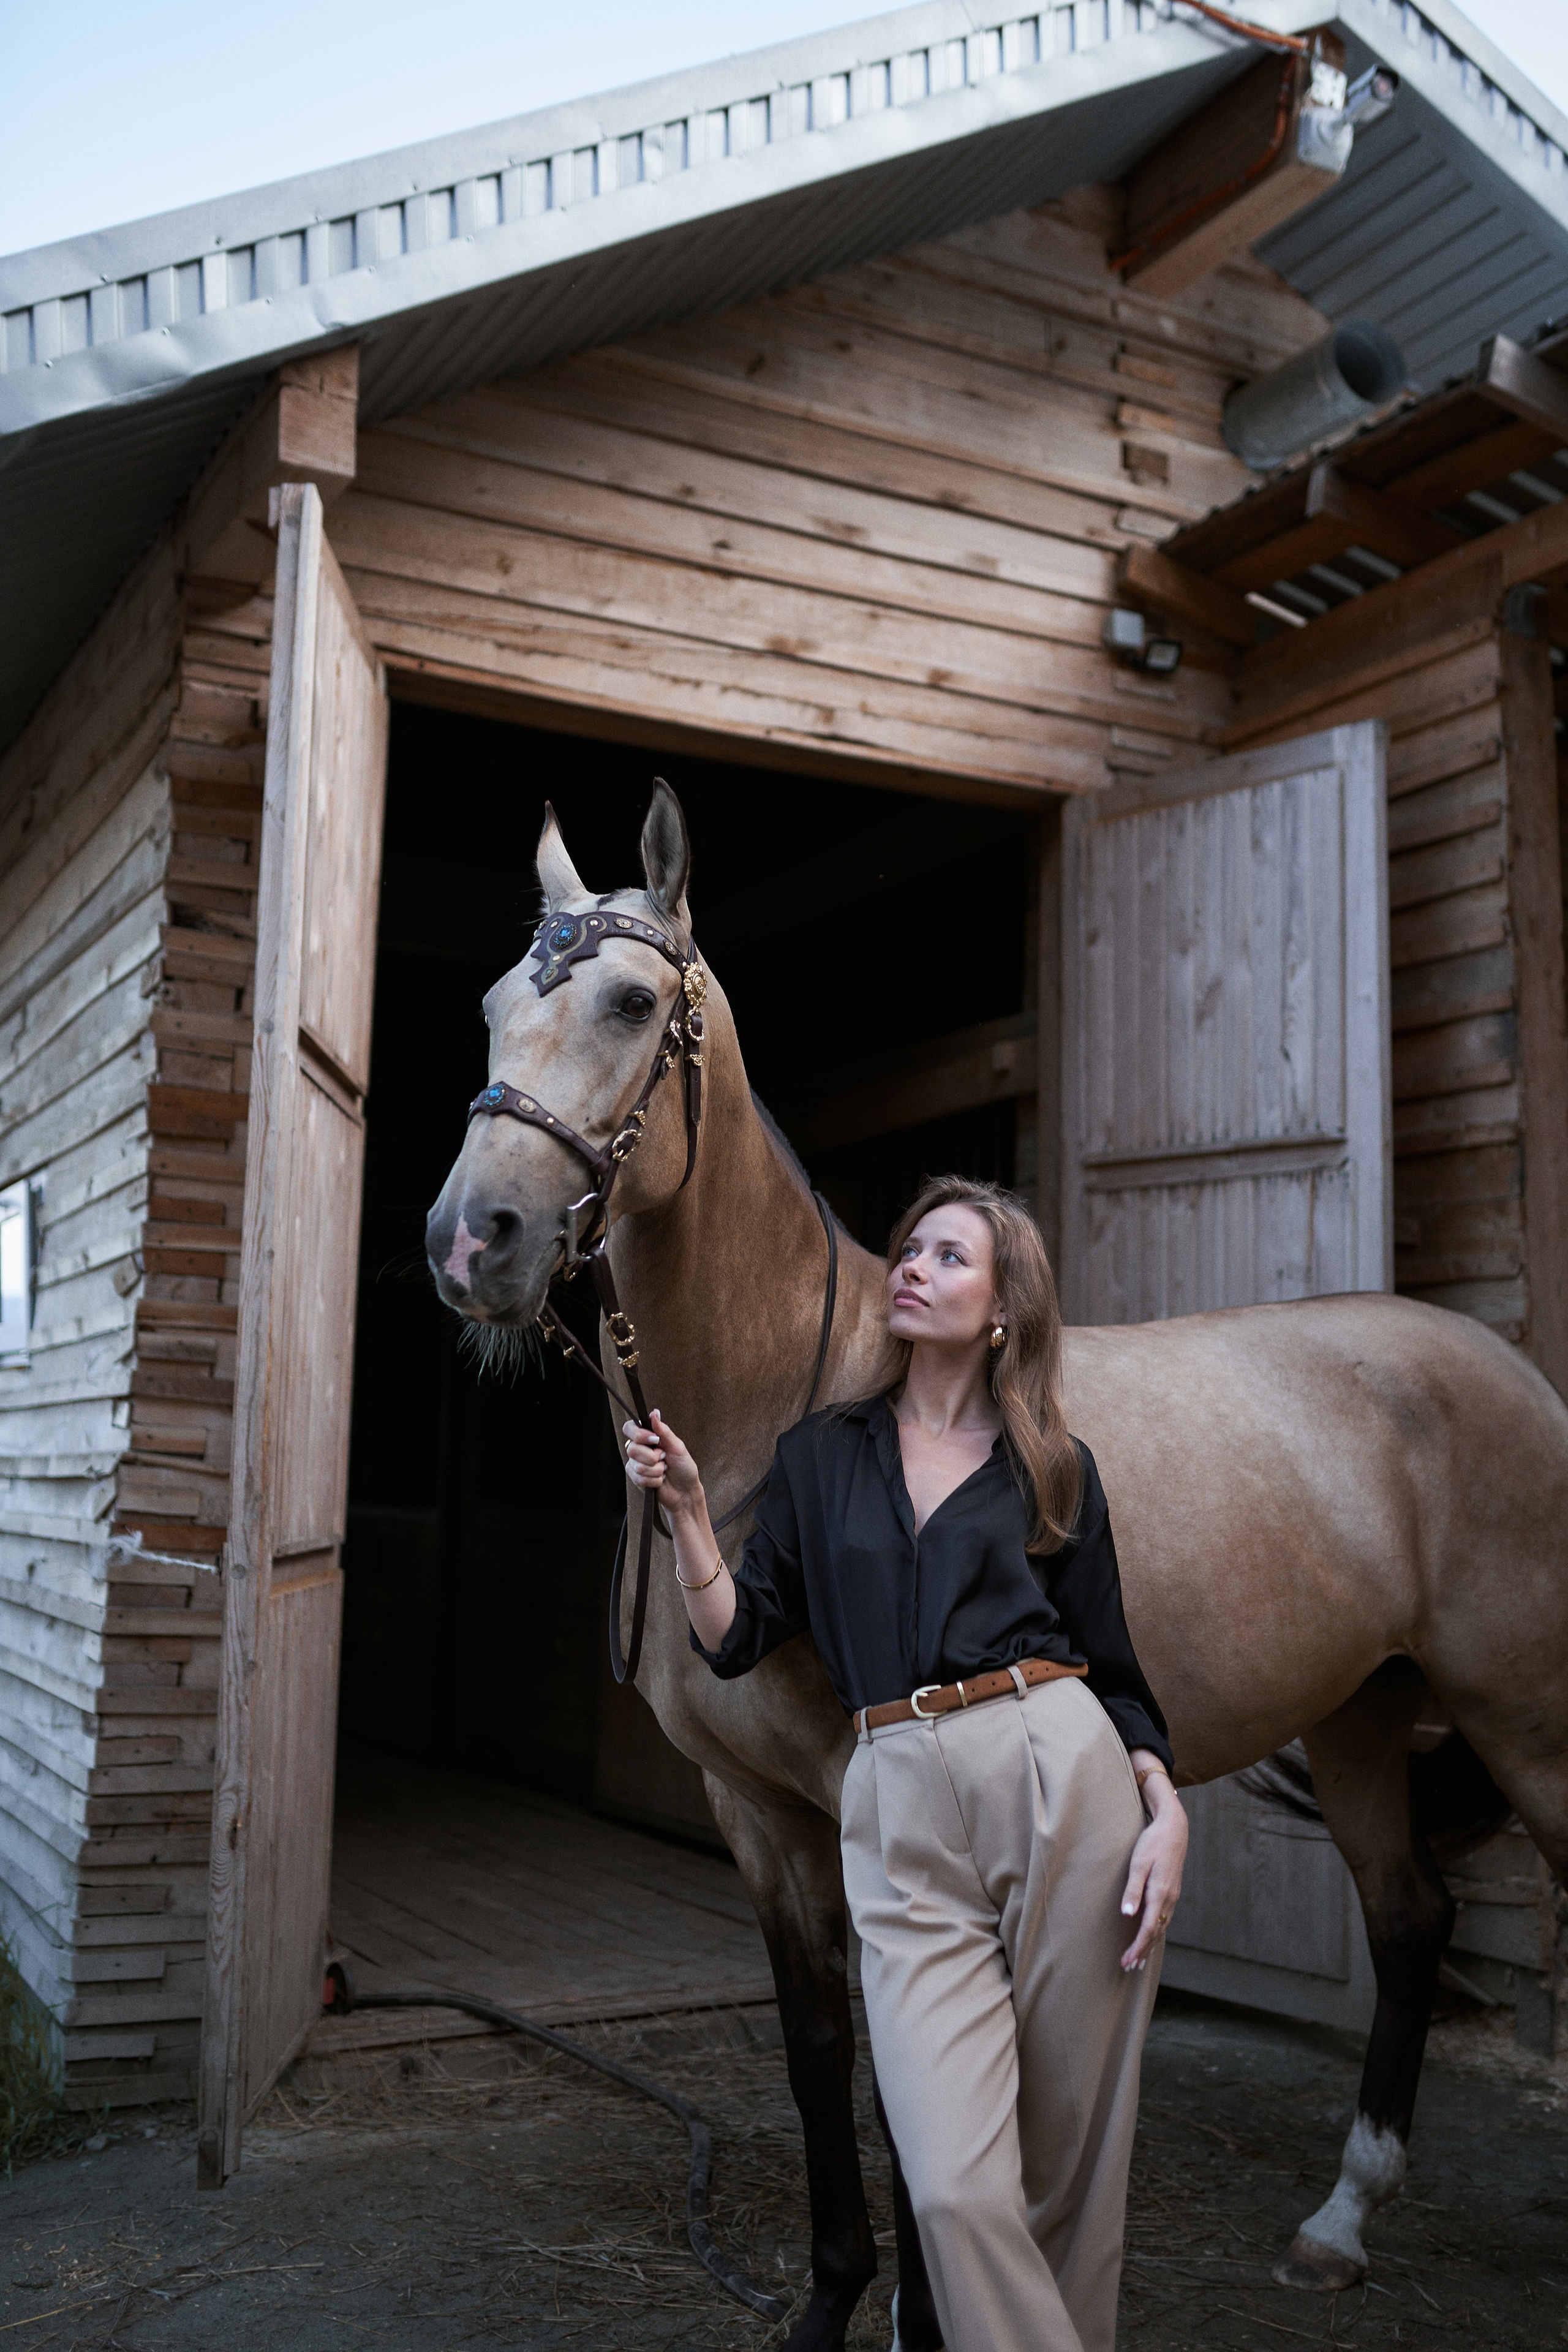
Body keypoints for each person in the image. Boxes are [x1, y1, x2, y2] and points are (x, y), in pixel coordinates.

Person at [623, 1174, 1186, 2352]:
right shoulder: (820, 1459)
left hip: (1063, 1773)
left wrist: (1162, 1807)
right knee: (952, 2189)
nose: (911, 1268)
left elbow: (1116, 1674)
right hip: (897, 1798)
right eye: (908, 1249)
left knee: (1069, 2175)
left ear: (1001, 1311)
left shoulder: (1053, 1464)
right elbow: (734, 1639)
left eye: (948, 1255)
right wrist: (685, 1516)